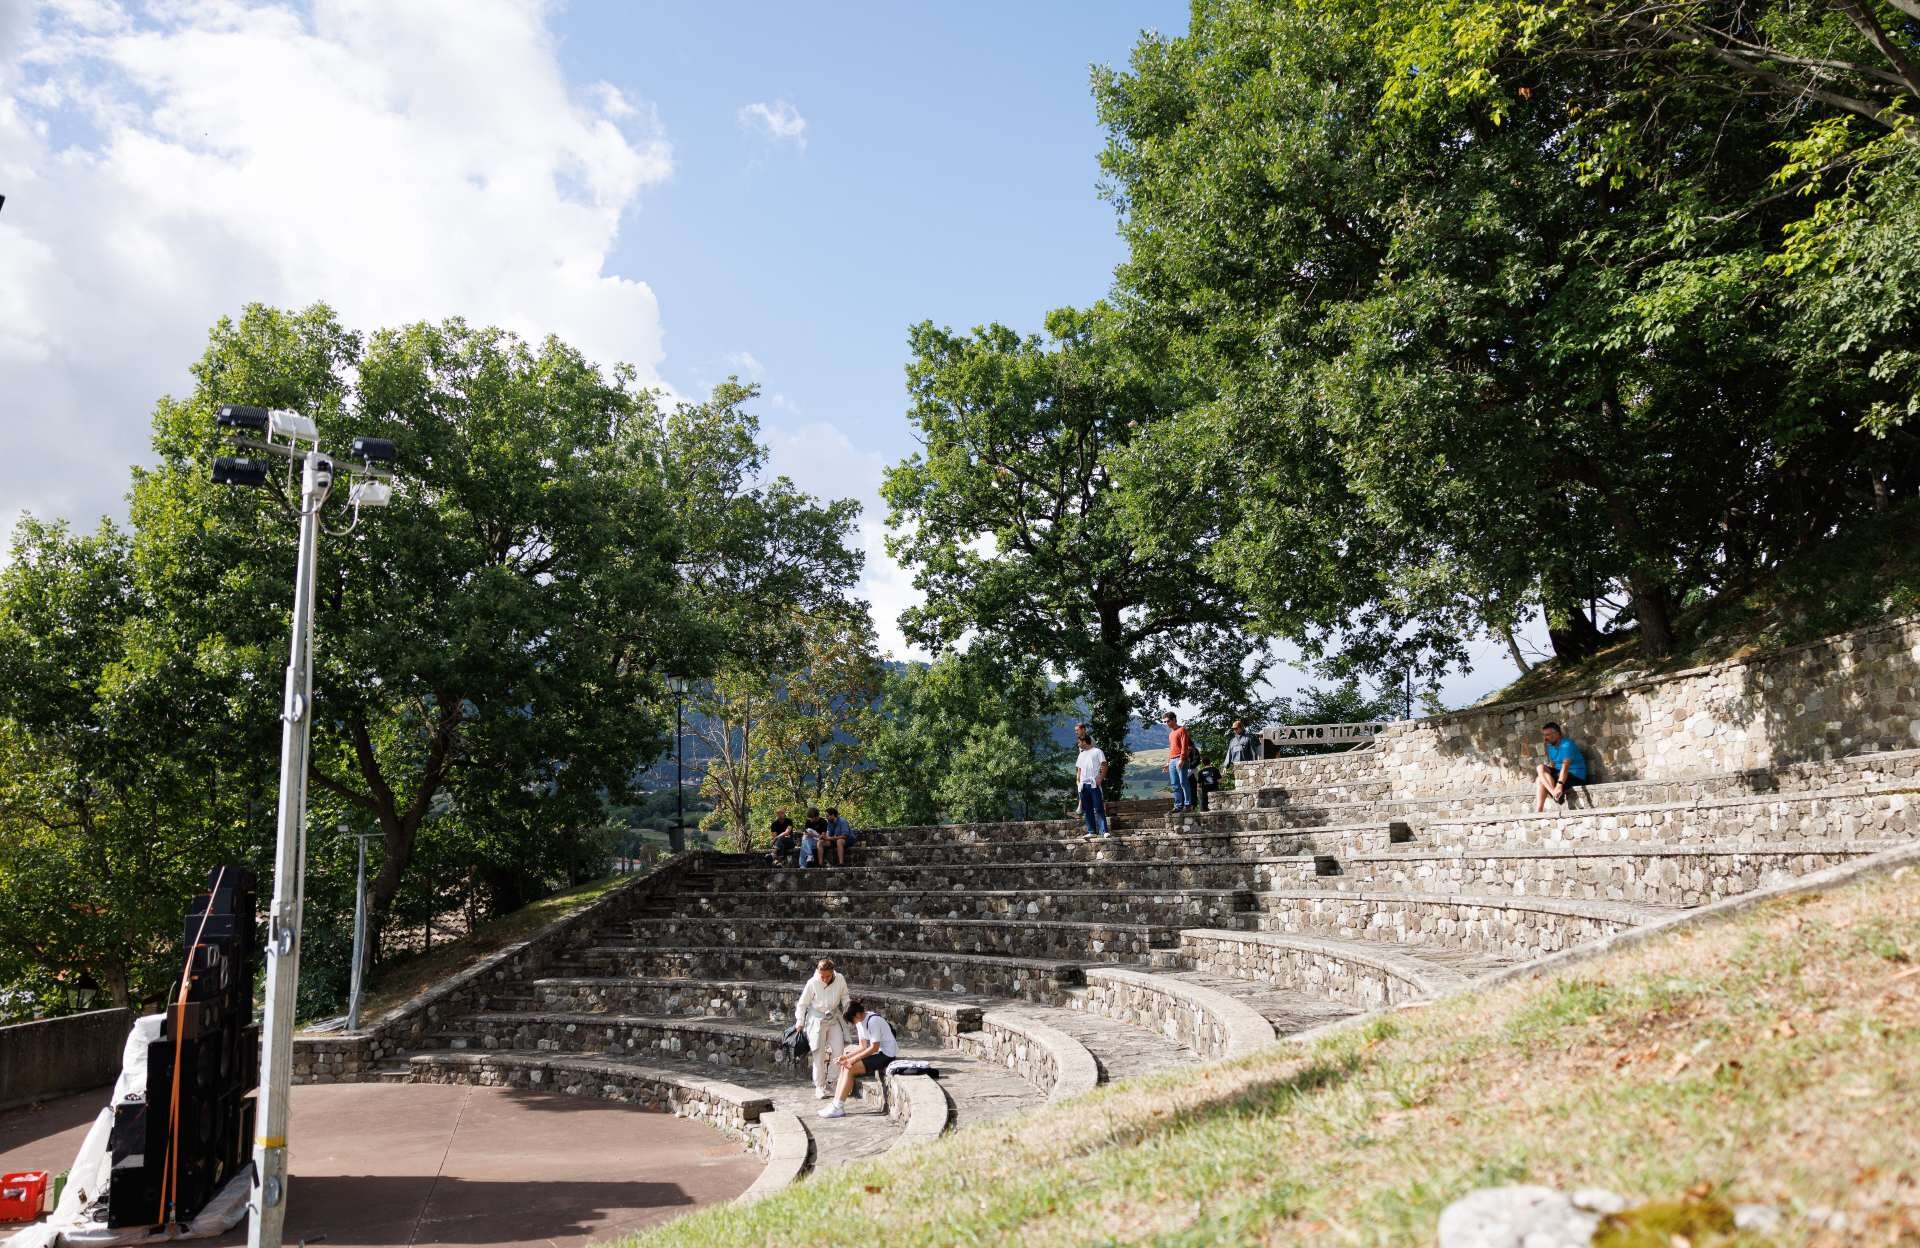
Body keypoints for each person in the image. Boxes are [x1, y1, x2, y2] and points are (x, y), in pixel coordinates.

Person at [817, 998, 900, 1119]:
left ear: (857, 1014)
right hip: (878, 1053)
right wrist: (846, 1057)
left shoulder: (873, 1021)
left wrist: (852, 1061)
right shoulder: (860, 1022)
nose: (853, 1023)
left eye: (852, 1020)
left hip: (887, 1055)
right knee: (845, 1066)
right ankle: (835, 1104)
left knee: (850, 1068)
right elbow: (862, 1047)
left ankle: (838, 1107)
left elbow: (874, 1048)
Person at [794, 959, 851, 1099]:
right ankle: (819, 1086)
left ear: (833, 972)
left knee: (838, 1050)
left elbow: (845, 997)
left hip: (833, 1017)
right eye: (822, 976)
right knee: (818, 1054)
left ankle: (832, 1082)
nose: (824, 979)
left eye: (827, 976)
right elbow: (802, 1004)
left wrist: (849, 1011)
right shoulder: (812, 982)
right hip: (816, 1019)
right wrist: (800, 1021)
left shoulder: (840, 979)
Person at [1535, 721, 1589, 812]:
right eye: (1544, 735)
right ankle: (1550, 798)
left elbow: (1565, 767)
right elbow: (1553, 765)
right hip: (1560, 775)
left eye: (1547, 735)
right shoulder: (1550, 747)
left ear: (1557, 734)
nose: (1545, 738)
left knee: (1539, 779)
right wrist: (1546, 776)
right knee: (1540, 769)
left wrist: (1559, 785)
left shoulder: (1567, 745)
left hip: (1575, 776)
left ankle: (1553, 797)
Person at [1075, 731, 1110, 839]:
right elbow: (1079, 769)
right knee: (1087, 809)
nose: (1078, 744)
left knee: (1099, 807)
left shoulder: (1097, 751)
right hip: (1083, 785)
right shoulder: (1081, 754)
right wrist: (1078, 781)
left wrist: (1100, 778)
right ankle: (1091, 831)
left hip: (1094, 784)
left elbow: (1104, 765)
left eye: (1079, 742)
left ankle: (1104, 831)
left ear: (1084, 741)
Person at [1164, 711, 1195, 812]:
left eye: (1168, 721)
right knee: (1175, 784)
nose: (1166, 723)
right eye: (1165, 722)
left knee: (1183, 782)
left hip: (1180, 759)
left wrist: (1182, 759)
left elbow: (1184, 746)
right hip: (1172, 761)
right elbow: (1171, 749)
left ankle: (1188, 805)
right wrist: (1168, 763)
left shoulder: (1182, 730)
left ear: (1173, 720)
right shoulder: (1171, 734)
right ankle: (1178, 806)